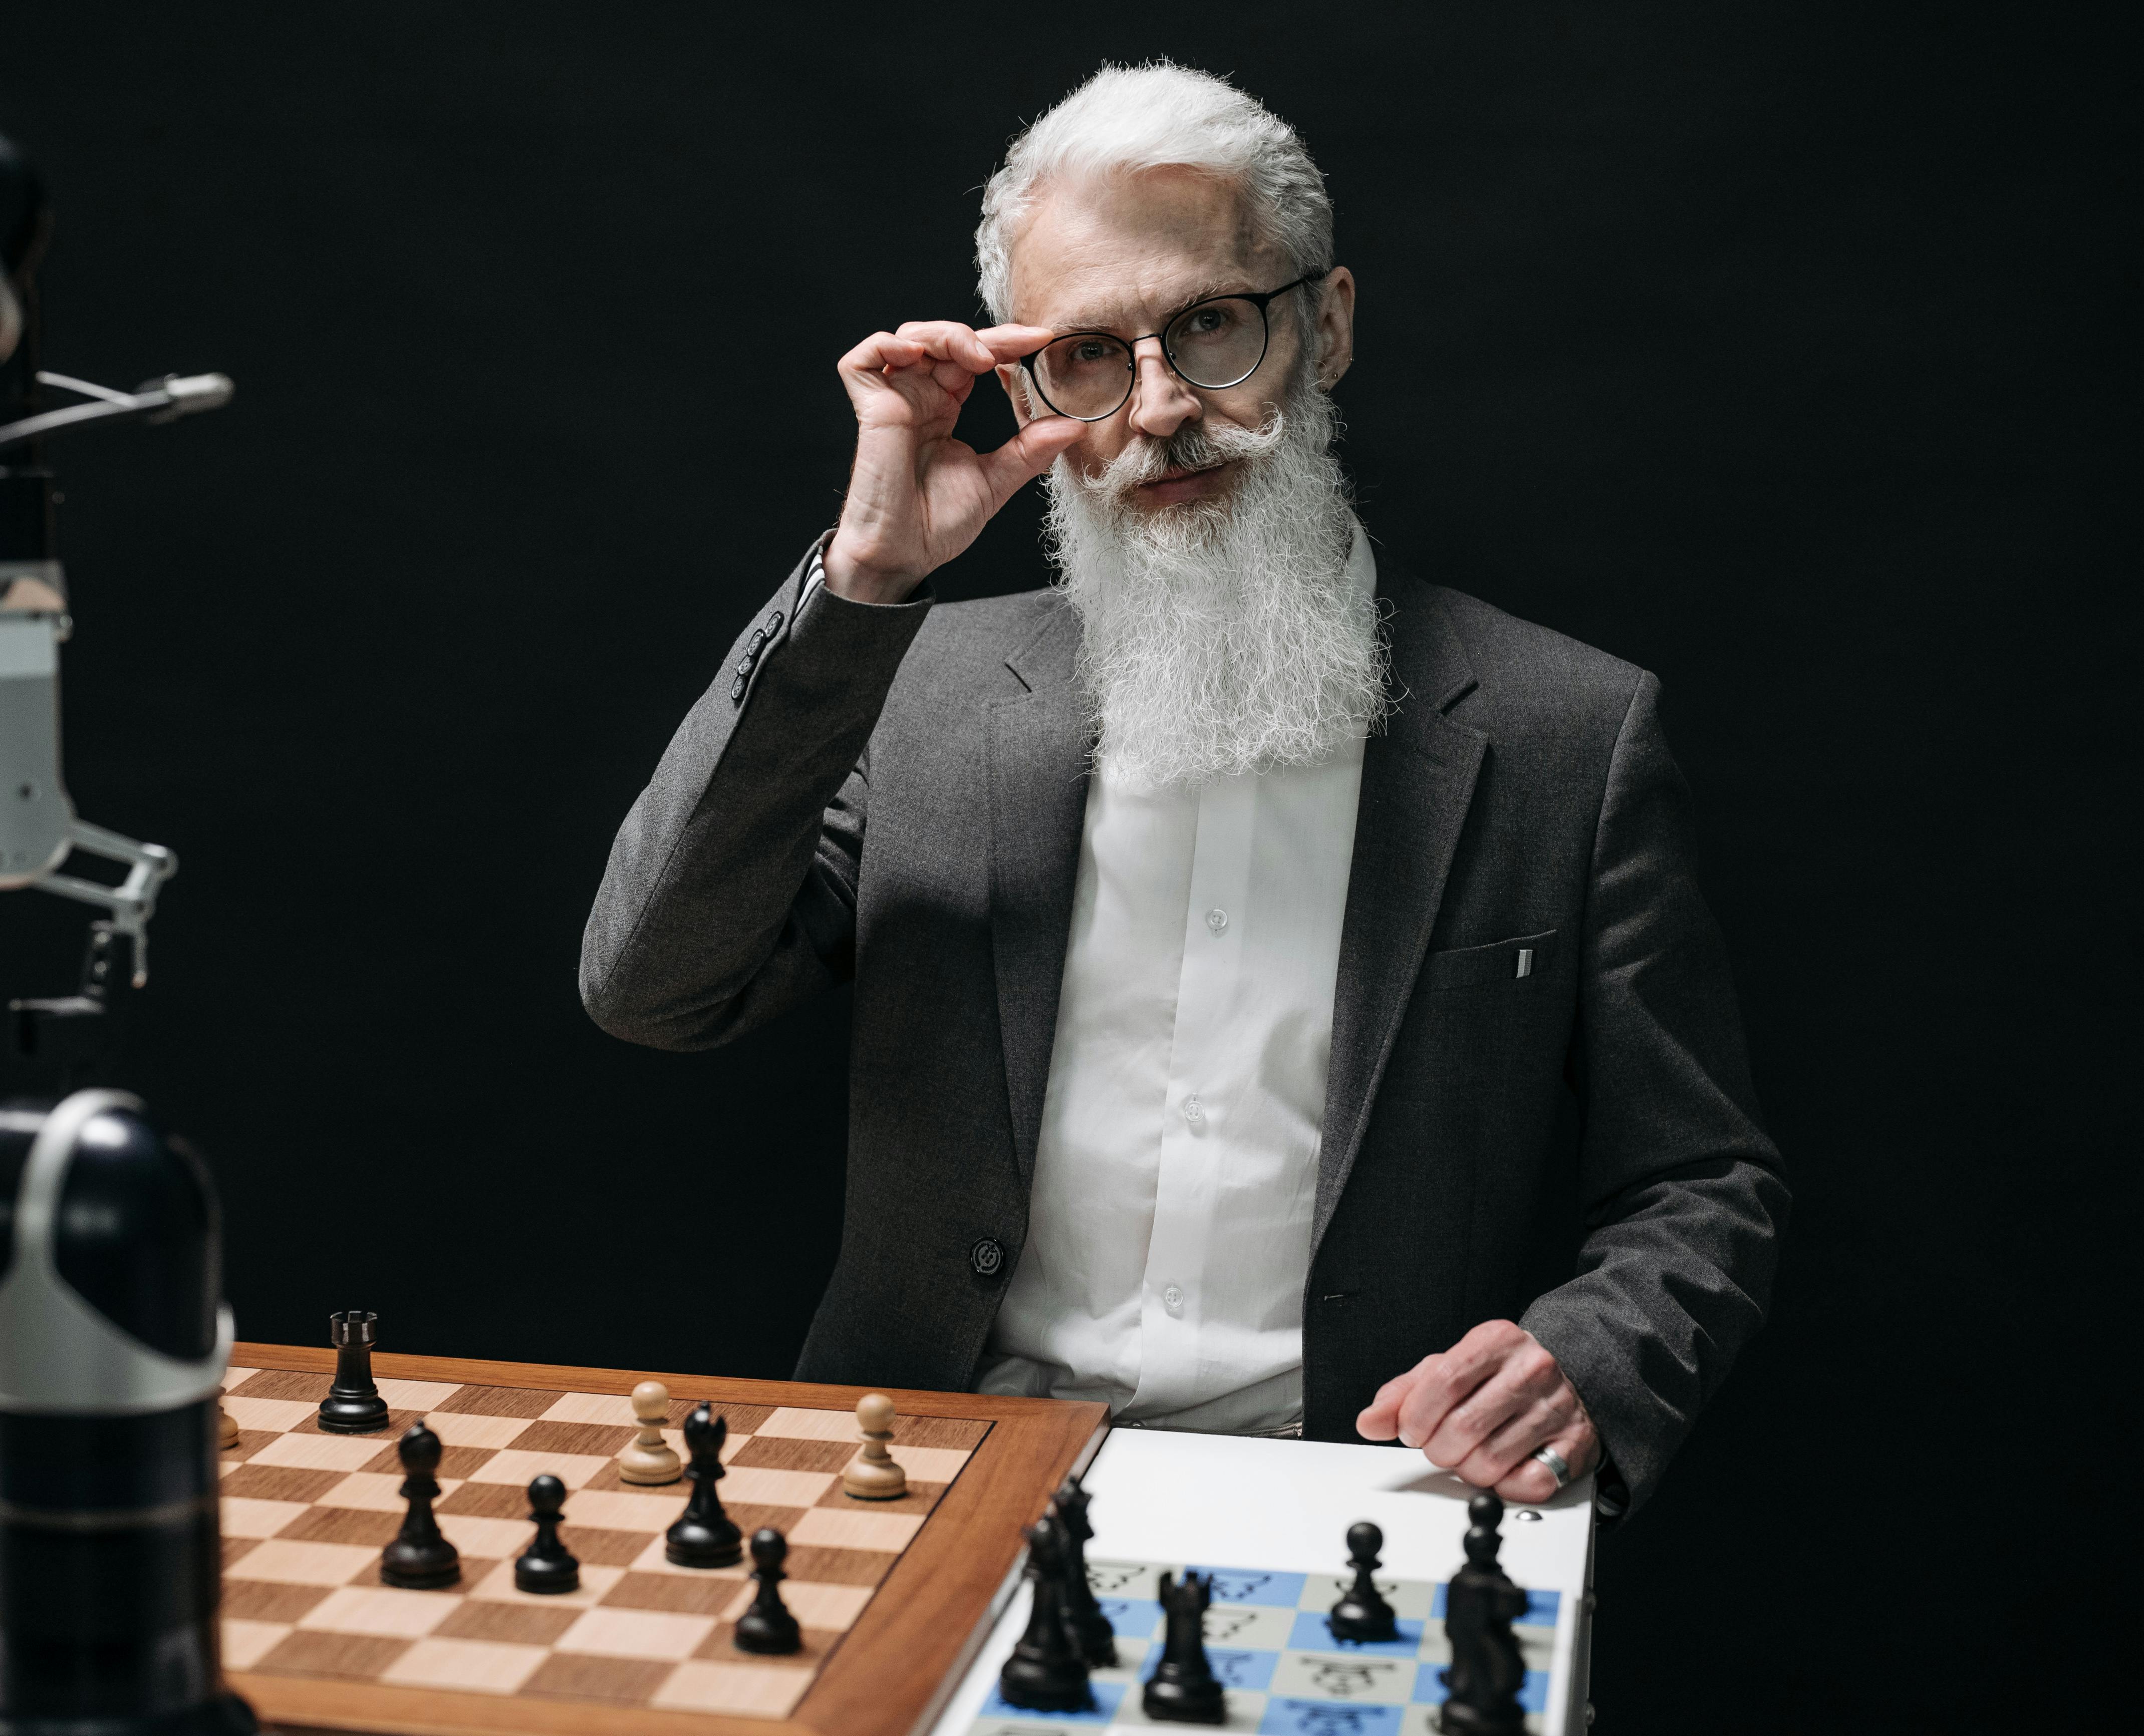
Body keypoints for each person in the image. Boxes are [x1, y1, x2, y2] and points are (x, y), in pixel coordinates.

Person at [580, 62, 1784, 1516]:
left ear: (1324, 325)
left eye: (1210, 325)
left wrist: (1586, 1354)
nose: (1158, 409)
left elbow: (1702, 1175)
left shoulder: (1565, 734)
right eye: (1086, 353)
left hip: (1354, 1489)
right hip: (922, 1480)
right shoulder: (920, 693)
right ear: (1023, 383)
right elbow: (653, 985)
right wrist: (862, 588)